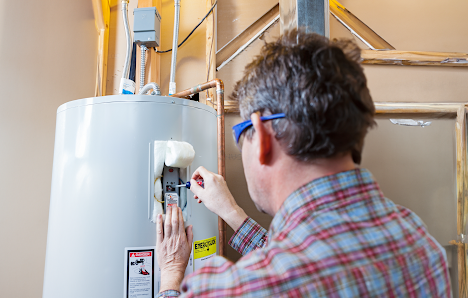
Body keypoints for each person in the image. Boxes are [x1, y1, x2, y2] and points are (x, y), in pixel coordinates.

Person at [155, 29, 451, 297]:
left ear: (261, 134)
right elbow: (309, 255)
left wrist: (170, 276)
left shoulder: (234, 289)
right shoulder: (420, 243)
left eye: (240, 133)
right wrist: (232, 213)